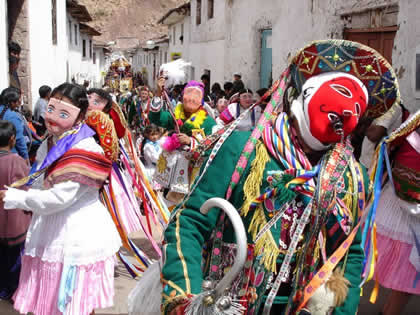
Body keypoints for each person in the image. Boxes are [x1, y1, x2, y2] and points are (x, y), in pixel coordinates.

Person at [157, 40, 398, 315]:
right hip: (224, 302)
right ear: (306, 93)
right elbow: (189, 223)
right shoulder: (242, 149)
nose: (348, 110)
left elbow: (348, 256)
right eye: (341, 92)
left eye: (359, 106)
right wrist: (187, 298)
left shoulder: (351, 179)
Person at [0, 83, 122, 315]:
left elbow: (59, 198)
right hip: (50, 227)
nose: (53, 118)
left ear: (80, 116)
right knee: (51, 301)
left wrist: (16, 197)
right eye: (51, 109)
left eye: (63, 112)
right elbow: (40, 181)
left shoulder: (84, 148)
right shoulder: (51, 140)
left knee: (74, 302)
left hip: (75, 235)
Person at [0, 120, 30, 300]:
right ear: (12, 139)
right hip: (12, 221)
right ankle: (12, 291)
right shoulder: (16, 161)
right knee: (14, 260)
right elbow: (24, 191)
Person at [0, 87, 28, 162]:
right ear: (12, 102)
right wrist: (25, 157)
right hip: (11, 155)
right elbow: (19, 139)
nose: (20, 103)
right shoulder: (12, 116)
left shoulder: (4, 111)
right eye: (19, 100)